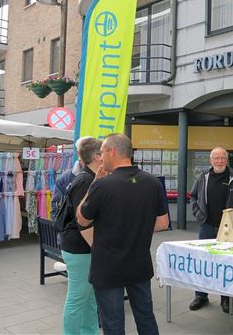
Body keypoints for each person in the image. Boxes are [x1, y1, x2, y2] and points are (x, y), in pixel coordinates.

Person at [76, 133, 170, 335]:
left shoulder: (102, 185)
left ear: (112, 151)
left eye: (102, 153)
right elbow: (163, 223)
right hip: (139, 266)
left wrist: (94, 183)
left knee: (113, 324)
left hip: (108, 268)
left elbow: (82, 219)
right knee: (146, 317)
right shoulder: (153, 182)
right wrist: (137, 226)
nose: (100, 158)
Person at [189, 146, 233, 313]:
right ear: (211, 160)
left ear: (227, 159)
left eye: (222, 157)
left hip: (227, 229)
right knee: (202, 261)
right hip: (206, 226)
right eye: (216, 158)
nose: (219, 161)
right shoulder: (203, 177)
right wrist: (198, 213)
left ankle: (225, 298)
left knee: (226, 263)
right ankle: (201, 295)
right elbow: (193, 196)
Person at [60, 137, 102, 335]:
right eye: (104, 152)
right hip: (80, 248)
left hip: (82, 247)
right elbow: (82, 220)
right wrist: (98, 248)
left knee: (89, 297)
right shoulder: (86, 180)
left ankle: (90, 332)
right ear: (96, 156)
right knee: (78, 298)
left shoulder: (90, 177)